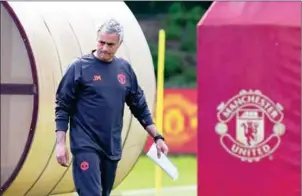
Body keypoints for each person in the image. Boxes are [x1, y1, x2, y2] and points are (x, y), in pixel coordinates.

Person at [54, 18, 169, 196]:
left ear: (119, 44)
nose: (105, 48)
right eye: (101, 42)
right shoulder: (79, 67)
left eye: (110, 44)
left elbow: (139, 107)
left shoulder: (125, 70)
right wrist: (60, 144)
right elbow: (62, 106)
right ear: (96, 40)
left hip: (111, 146)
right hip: (85, 144)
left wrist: (157, 137)